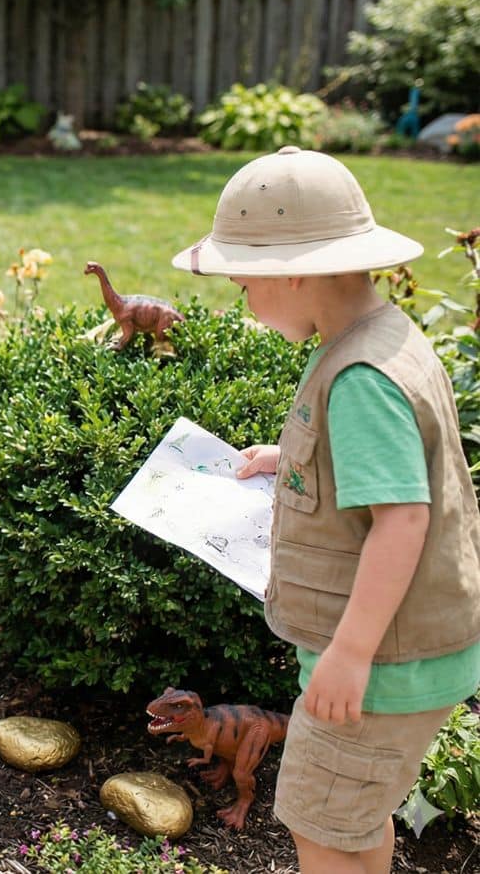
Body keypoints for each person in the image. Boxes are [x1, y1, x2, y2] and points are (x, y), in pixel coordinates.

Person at [172, 146, 480, 874]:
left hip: (379, 668)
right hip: (394, 660)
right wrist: (293, 459)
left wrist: (349, 654)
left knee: (320, 827)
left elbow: (402, 519)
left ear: (294, 271)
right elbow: (398, 463)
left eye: (245, 282)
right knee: (349, 822)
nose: (242, 297)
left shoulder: (360, 379)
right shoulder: (376, 336)